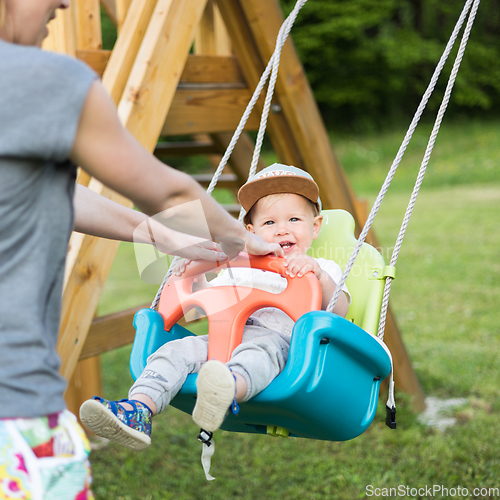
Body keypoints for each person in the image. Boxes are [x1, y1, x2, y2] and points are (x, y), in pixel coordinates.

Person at [0, 1, 282, 497]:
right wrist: (244, 239)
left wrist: (159, 234)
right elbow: (170, 193)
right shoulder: (45, 79)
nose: (64, 3)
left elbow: (49, 189)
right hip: (13, 408)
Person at [79, 165, 351, 451]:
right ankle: (139, 409)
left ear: (315, 226)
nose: (282, 229)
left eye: (294, 219)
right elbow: (204, 302)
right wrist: (192, 275)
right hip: (222, 340)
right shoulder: (238, 267)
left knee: (257, 354)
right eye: (269, 223)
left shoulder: (320, 269)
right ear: (251, 231)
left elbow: (338, 311)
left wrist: (319, 277)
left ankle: (225, 390)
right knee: (174, 351)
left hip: (282, 345)